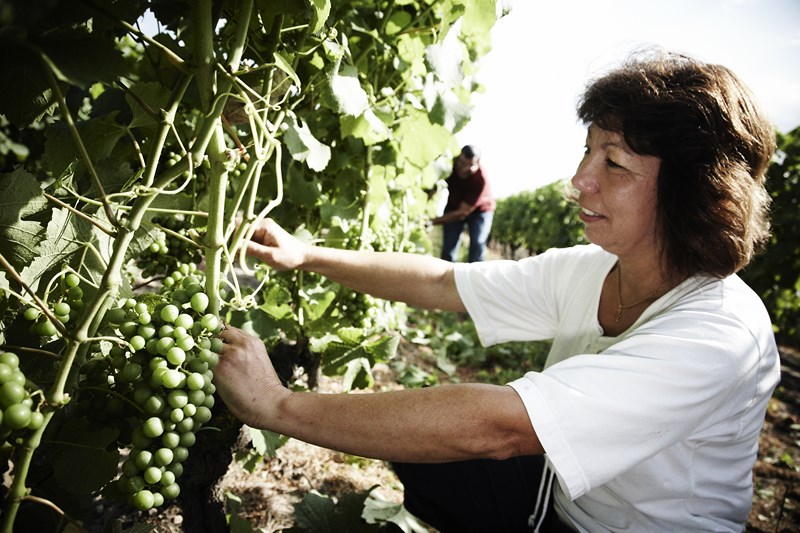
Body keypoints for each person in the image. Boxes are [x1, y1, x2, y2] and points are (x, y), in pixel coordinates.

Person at [212, 48, 780, 532]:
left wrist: (279, 406)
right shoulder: (595, 267)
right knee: (429, 456)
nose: (579, 179)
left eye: (614, 163)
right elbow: (442, 281)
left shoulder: (719, 334)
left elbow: (502, 427)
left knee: (463, 434)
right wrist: (306, 254)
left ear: (694, 196)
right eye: (587, 150)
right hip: (564, 499)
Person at [432, 145, 496, 262]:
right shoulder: (449, 165)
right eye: (462, 163)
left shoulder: (480, 180)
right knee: (448, 247)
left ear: (477, 164)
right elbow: (436, 185)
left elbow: (462, 212)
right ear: (458, 158)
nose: (464, 168)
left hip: (480, 211)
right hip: (454, 205)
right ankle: (447, 275)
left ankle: (474, 276)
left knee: (478, 243)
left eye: (470, 165)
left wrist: (432, 221)